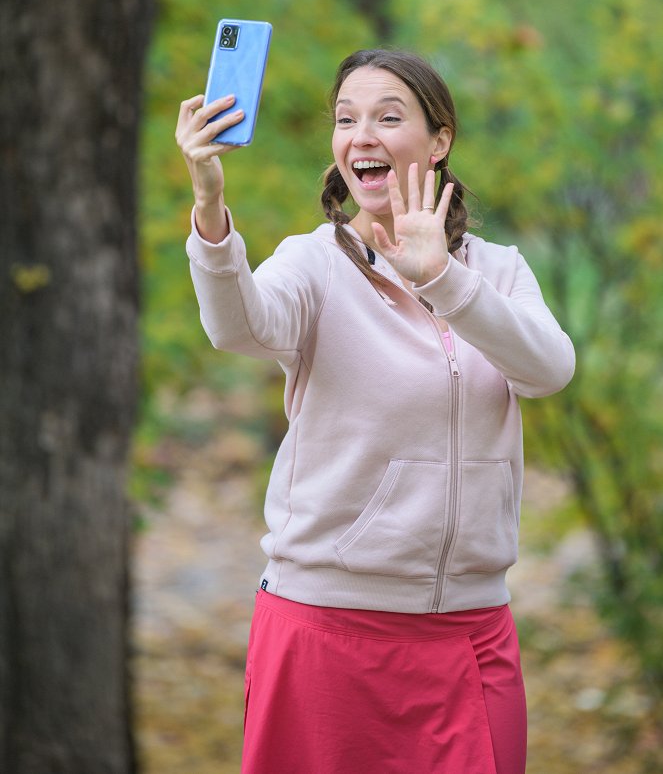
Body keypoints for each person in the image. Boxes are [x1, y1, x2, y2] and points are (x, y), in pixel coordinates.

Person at [176, 49, 575, 774]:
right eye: (345, 119)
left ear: (439, 139)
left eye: (388, 117)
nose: (361, 134)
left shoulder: (497, 272)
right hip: (326, 627)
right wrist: (208, 208)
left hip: (469, 629)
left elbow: (549, 369)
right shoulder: (314, 264)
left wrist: (443, 281)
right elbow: (239, 326)